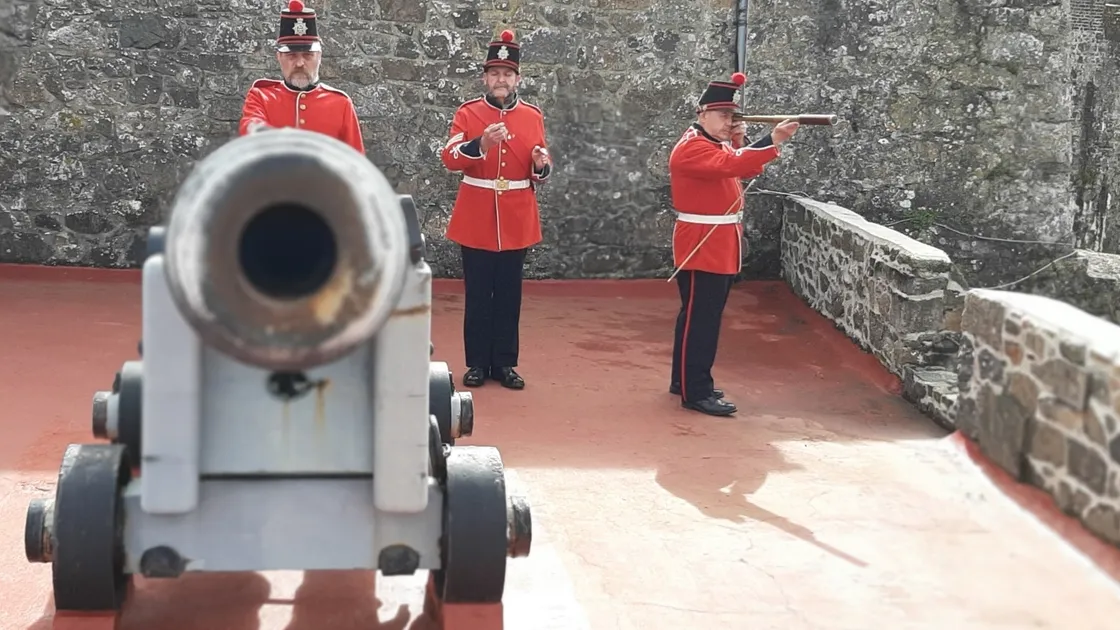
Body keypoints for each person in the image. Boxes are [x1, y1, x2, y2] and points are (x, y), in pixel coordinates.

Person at [667, 71, 800, 417]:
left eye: (732, 116)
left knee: (697, 315)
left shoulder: (713, 142)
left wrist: (743, 143)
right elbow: (730, 166)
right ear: (702, 114)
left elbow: (739, 168)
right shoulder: (693, 148)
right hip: (703, 242)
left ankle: (684, 379)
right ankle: (695, 390)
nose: (729, 122)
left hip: (719, 240)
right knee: (702, 319)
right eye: (723, 116)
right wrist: (771, 140)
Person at [439, 28, 553, 390]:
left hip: (516, 214)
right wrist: (482, 143)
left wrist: (538, 163)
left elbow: (542, 167)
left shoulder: (532, 115)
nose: (500, 79)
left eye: (507, 74)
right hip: (477, 214)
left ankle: (504, 363)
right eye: (494, 74)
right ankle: (476, 363)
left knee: (508, 294)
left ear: (517, 78)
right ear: (485, 78)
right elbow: (450, 158)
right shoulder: (468, 112)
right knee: (477, 294)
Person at [237, 0, 364, 154]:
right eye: (291, 55)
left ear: (319, 56)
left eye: (308, 55)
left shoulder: (341, 104)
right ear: (279, 57)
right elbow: (250, 126)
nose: (299, 63)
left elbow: (356, 163)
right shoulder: (261, 96)